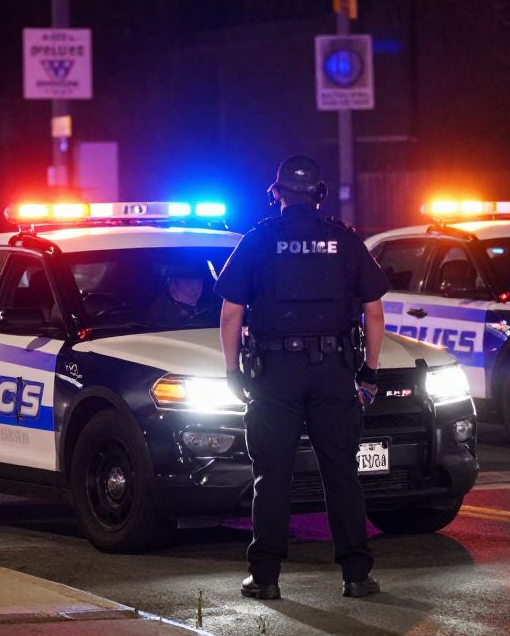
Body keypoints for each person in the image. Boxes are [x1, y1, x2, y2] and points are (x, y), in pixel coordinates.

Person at [214, 155, 390, 600]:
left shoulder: (258, 240)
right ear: (319, 194)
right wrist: (369, 370)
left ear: (276, 195)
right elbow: (374, 310)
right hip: (333, 373)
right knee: (341, 475)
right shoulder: (344, 240)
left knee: (272, 477)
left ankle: (266, 578)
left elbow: (231, 313)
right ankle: (356, 576)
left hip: (275, 377)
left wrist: (232, 371)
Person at [145, 262, 211, 327]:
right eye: (188, 282)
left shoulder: (213, 309)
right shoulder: (160, 312)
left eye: (199, 281)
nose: (196, 286)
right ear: (172, 283)